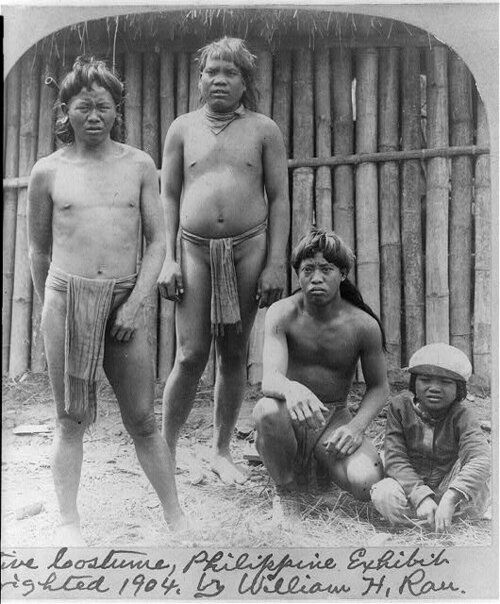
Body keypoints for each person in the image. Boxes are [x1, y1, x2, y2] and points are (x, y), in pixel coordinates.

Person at [27, 56, 185, 545]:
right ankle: (70, 526)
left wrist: (137, 301)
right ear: (64, 111)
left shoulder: (139, 164)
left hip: (124, 298)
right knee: (70, 418)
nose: (93, 116)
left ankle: (177, 518)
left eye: (103, 107)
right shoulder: (47, 171)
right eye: (83, 107)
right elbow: (38, 248)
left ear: (118, 109)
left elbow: (158, 241)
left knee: (142, 418)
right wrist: (53, 309)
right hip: (67, 297)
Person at [158, 37, 289, 484]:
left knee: (233, 354)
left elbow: (280, 198)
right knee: (191, 354)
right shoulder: (181, 128)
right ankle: (165, 451)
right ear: (199, 79)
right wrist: (167, 260)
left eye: (229, 72)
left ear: (245, 81)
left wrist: (275, 263)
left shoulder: (264, 130)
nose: (219, 79)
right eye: (211, 71)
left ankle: (219, 450)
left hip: (249, 249)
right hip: (192, 249)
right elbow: (168, 196)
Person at [252, 228, 389, 522]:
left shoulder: (363, 324)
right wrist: (291, 389)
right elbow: (270, 380)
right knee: (265, 410)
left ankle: (319, 466)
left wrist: (356, 427)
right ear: (297, 274)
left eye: (326, 269)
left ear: (342, 274)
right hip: (287, 416)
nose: (316, 278)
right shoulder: (281, 313)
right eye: (307, 269)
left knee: (367, 482)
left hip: (333, 420)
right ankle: (286, 491)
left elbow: (379, 388)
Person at [370, 343, 491, 533]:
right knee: (383, 494)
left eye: (445, 382)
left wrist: (451, 497)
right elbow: (395, 458)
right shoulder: (399, 407)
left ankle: (440, 517)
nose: (434, 388)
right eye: (425, 380)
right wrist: (421, 496)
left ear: (460, 389)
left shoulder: (463, 415)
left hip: (448, 485)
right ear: (414, 384)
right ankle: (427, 522)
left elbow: (481, 458)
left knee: (479, 489)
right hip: (410, 485)